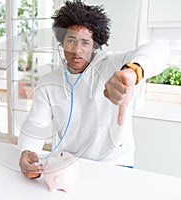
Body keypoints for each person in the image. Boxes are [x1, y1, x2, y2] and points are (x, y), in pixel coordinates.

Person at [18, 0, 168, 179]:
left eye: (85, 42)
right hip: (70, 165)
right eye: (71, 40)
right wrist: (27, 151)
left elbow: (159, 50)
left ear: (95, 45)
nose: (77, 50)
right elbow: (35, 125)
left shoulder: (113, 65)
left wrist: (133, 71)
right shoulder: (48, 83)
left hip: (116, 164)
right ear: (62, 43)